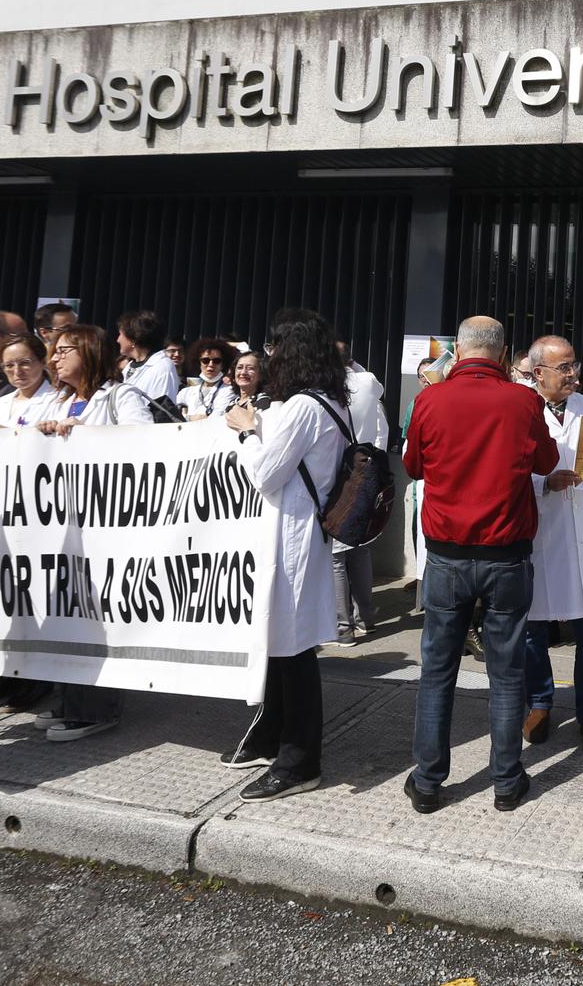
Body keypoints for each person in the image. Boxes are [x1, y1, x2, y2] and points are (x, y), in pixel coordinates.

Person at [402, 315, 555, 813]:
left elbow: (413, 465)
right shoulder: (523, 400)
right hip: (506, 555)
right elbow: (547, 461)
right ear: (503, 351)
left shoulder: (430, 399)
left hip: (447, 554)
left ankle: (428, 782)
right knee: (508, 673)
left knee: (437, 670)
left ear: (459, 351)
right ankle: (506, 782)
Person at [218, 310, 347, 802]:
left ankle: (300, 760)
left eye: (273, 349)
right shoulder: (330, 402)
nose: (268, 358)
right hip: (302, 533)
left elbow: (266, 474)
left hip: (291, 536)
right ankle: (272, 732)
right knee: (284, 643)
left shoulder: (301, 409)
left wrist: (249, 429)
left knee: (292, 650)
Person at [35, 323, 153, 741]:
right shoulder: (58, 399)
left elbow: (144, 447)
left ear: (90, 351)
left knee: (94, 617)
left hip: (104, 529)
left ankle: (97, 708)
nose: (55, 357)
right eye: (53, 350)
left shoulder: (122, 397)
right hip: (64, 530)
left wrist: (84, 436)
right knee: (69, 613)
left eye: (65, 349)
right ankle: (69, 699)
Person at [521, 335, 583, 757]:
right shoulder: (520, 408)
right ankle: (541, 703)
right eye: (563, 368)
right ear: (537, 372)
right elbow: (508, 468)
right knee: (532, 632)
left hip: (581, 532)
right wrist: (543, 482)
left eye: (574, 365)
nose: (573, 374)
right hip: (541, 532)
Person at [0, 334, 59, 429]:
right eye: (9, 365)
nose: (17, 372)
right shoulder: (0, 403)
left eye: (24, 363)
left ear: (43, 362)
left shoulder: (58, 399)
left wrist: (3, 432)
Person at [116, 310, 180, 406]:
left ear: (133, 339)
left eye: (120, 334)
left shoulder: (163, 368)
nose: (118, 340)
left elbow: (161, 412)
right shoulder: (130, 366)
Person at [177, 338, 235, 420]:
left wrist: (187, 417)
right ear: (198, 363)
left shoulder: (229, 391)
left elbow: (216, 419)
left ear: (223, 365)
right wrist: (192, 418)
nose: (211, 364)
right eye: (205, 360)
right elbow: (173, 417)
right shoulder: (185, 392)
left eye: (217, 361)